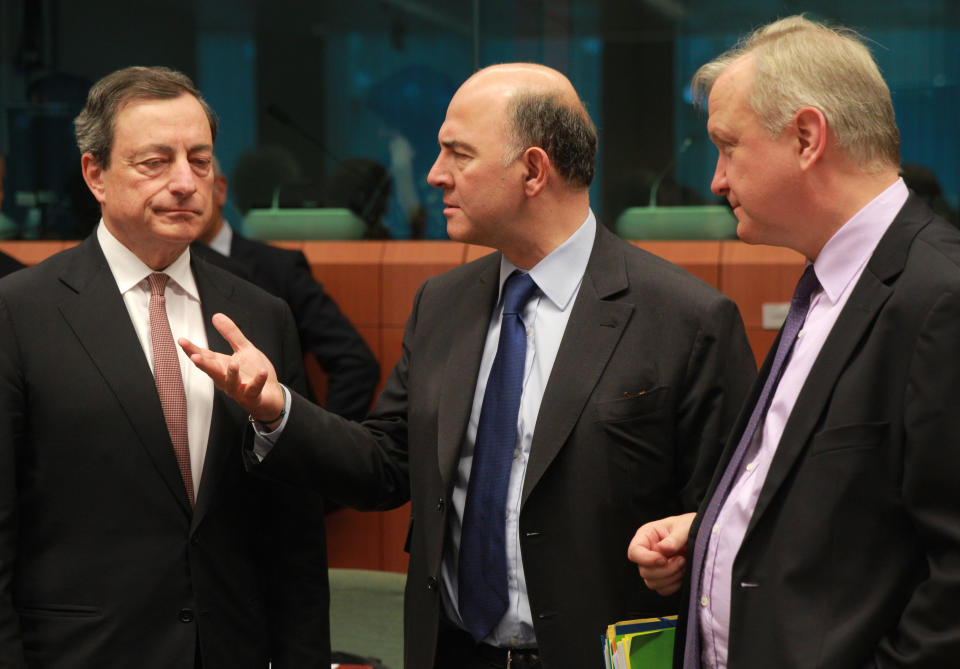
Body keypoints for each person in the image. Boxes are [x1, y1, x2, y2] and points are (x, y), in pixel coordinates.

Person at [182, 63, 755, 668]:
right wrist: (276, 412)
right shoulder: (443, 303)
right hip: (452, 650)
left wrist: (684, 552)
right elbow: (386, 463)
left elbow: (727, 520)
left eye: (458, 154)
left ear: (534, 170)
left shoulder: (686, 318)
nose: (435, 175)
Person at [628, 15, 960, 669]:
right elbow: (850, 503)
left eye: (728, 146)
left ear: (808, 137)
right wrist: (713, 529)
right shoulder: (828, 283)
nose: (718, 180)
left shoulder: (939, 296)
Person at [0, 66, 330, 668]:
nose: (185, 182)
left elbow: (294, 534)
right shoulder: (20, 312)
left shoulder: (261, 314)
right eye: (156, 161)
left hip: (232, 648)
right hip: (81, 653)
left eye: (199, 160)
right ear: (95, 173)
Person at [196, 158, 380, 420]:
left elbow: (355, 363)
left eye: (197, 171)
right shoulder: (152, 274)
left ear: (220, 190)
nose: (181, 189)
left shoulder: (279, 267)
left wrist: (319, 443)